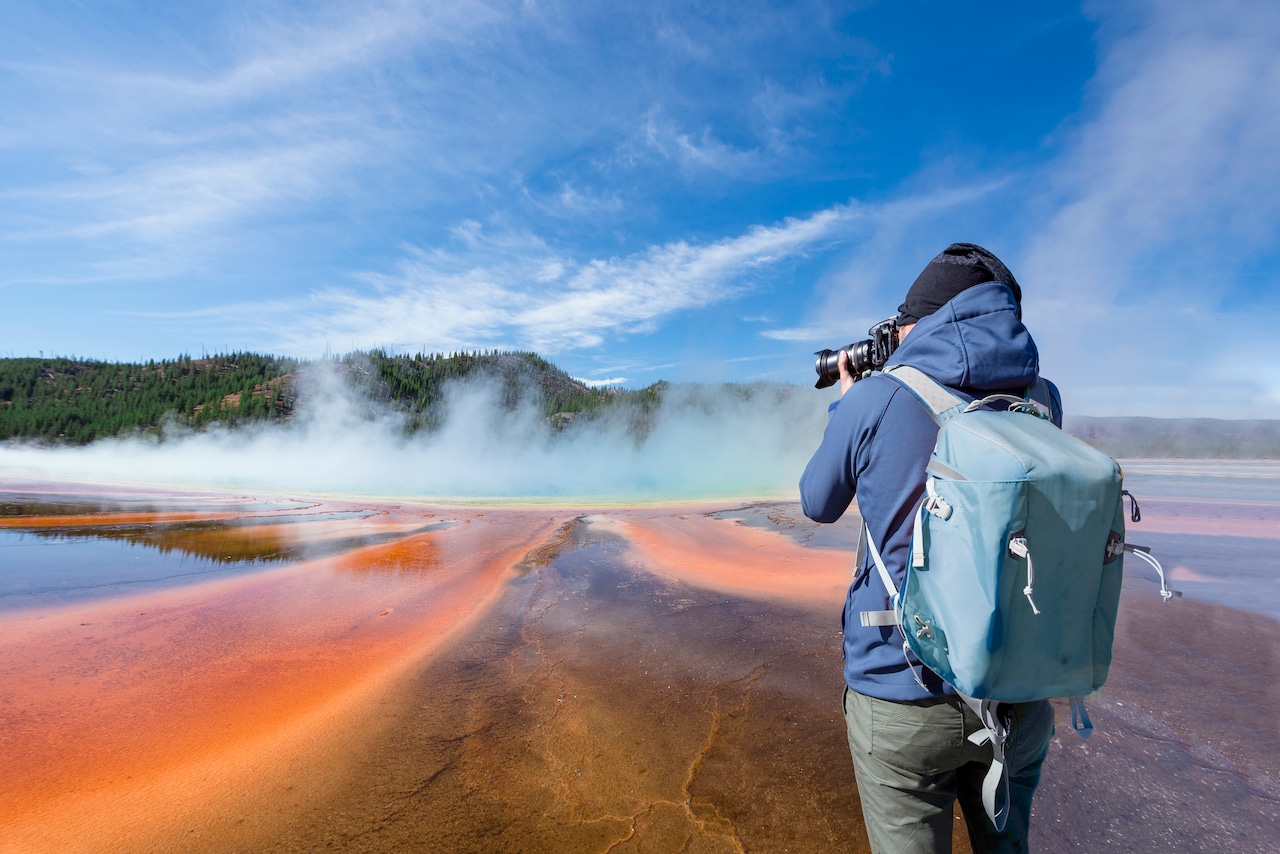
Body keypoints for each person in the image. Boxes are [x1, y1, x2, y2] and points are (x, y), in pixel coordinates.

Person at [799, 243, 1059, 854]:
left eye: (900, 323)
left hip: (902, 690)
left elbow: (818, 501)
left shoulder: (877, 397)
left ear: (923, 320)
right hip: (1017, 690)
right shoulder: (1043, 399)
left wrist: (849, 400)